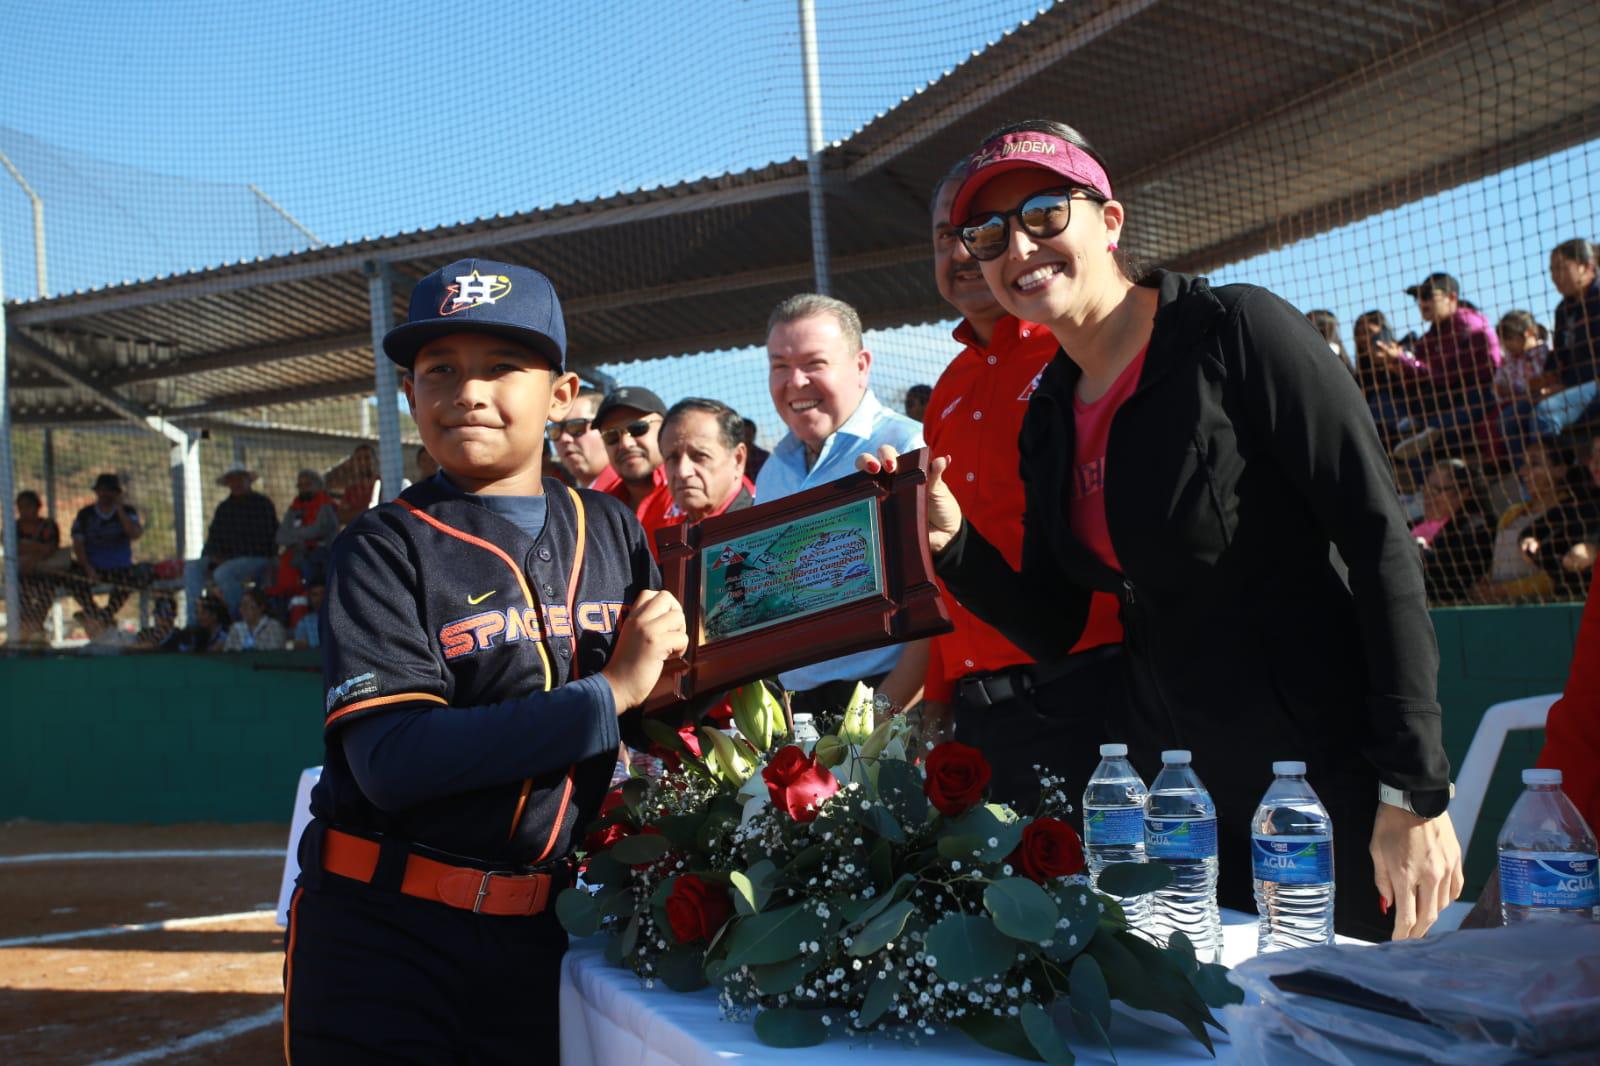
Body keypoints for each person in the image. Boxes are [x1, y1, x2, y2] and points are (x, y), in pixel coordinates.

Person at [873, 119, 1460, 942]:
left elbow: (1379, 543)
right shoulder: (1049, 412)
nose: (1018, 247)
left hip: (1315, 776)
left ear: (1109, 221)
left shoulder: (1237, 332)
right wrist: (954, 540)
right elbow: (1053, 621)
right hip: (1176, 789)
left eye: (1046, 213)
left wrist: (1413, 788)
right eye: (990, 233)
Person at [285, 258, 683, 1062]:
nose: (468, 391)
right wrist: (609, 695)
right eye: (441, 370)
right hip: (384, 937)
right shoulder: (381, 545)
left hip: (544, 936)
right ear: (410, 396)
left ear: (564, 396)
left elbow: (669, 698)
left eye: (502, 366)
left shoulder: (612, 529)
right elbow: (393, 761)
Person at [918, 161, 1125, 810]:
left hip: (1091, 685)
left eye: (977, 231)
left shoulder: (1075, 349)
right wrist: (938, 693)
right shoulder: (945, 390)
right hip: (980, 712)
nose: (959, 251)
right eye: (944, 236)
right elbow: (941, 562)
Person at [757, 293, 928, 721]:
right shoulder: (773, 473)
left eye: (814, 363)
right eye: (780, 366)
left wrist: (881, 719)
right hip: (797, 712)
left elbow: (942, 606)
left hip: (892, 703)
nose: (795, 382)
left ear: (861, 366)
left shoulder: (907, 447)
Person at [1387, 272, 1502, 461]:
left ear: (1452, 297)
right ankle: (1428, 427)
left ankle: (1435, 427)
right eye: (1418, 298)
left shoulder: (1466, 324)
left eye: (1428, 296)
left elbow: (1446, 376)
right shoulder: (1432, 334)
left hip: (1479, 394)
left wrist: (1404, 361)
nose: (1421, 303)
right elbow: (1425, 376)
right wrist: (1399, 367)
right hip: (1448, 398)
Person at [1500, 238, 1600, 450]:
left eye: (1562, 268)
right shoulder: (1564, 309)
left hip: (1594, 383)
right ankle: (1529, 478)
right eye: (1552, 270)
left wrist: (1562, 386)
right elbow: (1559, 355)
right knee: (1510, 418)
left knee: (1545, 413)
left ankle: (1554, 476)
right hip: (1574, 386)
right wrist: (1546, 379)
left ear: (1587, 267)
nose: (1555, 277)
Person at [1479, 440, 1589, 602]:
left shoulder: (1573, 514)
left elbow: (1556, 575)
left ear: (1560, 470)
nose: (1523, 472)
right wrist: (1485, 582)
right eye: (1524, 464)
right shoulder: (1512, 513)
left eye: (1535, 464)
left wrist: (1504, 590)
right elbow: (1497, 562)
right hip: (1497, 606)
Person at [189, 463, 278, 616]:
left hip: (257, 559)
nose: (236, 483)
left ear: (248, 480)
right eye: (232, 480)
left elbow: (268, 540)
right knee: (192, 567)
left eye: (240, 479)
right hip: (225, 560)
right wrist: (212, 557)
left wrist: (228, 559)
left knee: (223, 573)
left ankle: (236, 617)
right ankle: (194, 620)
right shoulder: (224, 508)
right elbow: (213, 539)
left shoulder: (262, 504)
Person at [656, 398, 755, 530]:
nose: (682, 472)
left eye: (700, 456)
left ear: (738, 459)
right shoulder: (672, 540)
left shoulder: (770, 531)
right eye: (673, 458)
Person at [593, 385, 676, 541]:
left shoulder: (692, 487)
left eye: (638, 428)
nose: (625, 443)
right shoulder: (601, 509)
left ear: (666, 429)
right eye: (611, 436)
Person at [66, 474, 146, 627]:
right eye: (102, 491)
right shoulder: (85, 515)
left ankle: (107, 614)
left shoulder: (128, 512)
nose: (105, 495)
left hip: (120, 568)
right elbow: (78, 544)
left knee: (135, 577)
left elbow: (135, 534)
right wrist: (87, 568)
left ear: (117, 494)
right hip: (93, 568)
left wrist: (120, 511)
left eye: (110, 491)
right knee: (71, 576)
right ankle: (93, 611)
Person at [1411, 458, 1494, 604]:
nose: (1427, 495)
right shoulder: (1409, 524)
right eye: (1425, 488)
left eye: (1437, 490)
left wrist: (1422, 556)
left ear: (1463, 493)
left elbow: (1458, 578)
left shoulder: (1477, 528)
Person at [1491, 310, 1551, 462]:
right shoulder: (1510, 360)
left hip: (1538, 400)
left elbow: (1537, 384)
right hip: (1518, 402)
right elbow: (1498, 388)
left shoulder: (1541, 353)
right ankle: (1520, 465)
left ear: (1529, 333)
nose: (1506, 345)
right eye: (1503, 340)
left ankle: (1537, 462)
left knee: (1512, 419)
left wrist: (1514, 392)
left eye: (1510, 338)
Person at [269, 469, 339, 598]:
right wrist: (300, 538)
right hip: (298, 552)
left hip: (323, 552)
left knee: (308, 564)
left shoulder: (326, 505)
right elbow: (280, 536)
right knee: (273, 568)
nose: (303, 489)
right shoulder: (295, 507)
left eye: (307, 485)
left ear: (318, 485)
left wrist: (294, 534)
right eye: (300, 485)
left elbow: (317, 530)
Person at [13, 489, 62, 644]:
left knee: (47, 590)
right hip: (22, 574)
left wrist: (31, 554)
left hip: (45, 573)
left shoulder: (47, 525)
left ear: (37, 507)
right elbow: (14, 548)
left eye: (28, 506)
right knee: (20, 593)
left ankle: (35, 626)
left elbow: (50, 547)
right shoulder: (13, 527)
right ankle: (30, 629)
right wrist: (37, 547)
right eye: (20, 507)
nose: (24, 510)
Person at [550, 388, 621, 492]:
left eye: (576, 427)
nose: (564, 438)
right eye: (555, 430)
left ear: (607, 430)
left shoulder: (634, 491)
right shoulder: (571, 501)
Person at [223, 587, 288, 651]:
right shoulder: (236, 628)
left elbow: (276, 655)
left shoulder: (274, 627)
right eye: (241, 605)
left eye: (246, 605)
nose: (242, 609)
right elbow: (228, 653)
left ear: (261, 607)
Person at [164, 595, 229, 653]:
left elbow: (210, 654)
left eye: (203, 613)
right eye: (197, 613)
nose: (199, 617)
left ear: (214, 615)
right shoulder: (200, 633)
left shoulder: (224, 634)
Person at [291, 581, 325, 650]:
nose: (319, 598)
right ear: (310, 598)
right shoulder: (305, 621)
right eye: (315, 594)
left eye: (322, 593)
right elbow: (299, 647)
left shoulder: (340, 619)